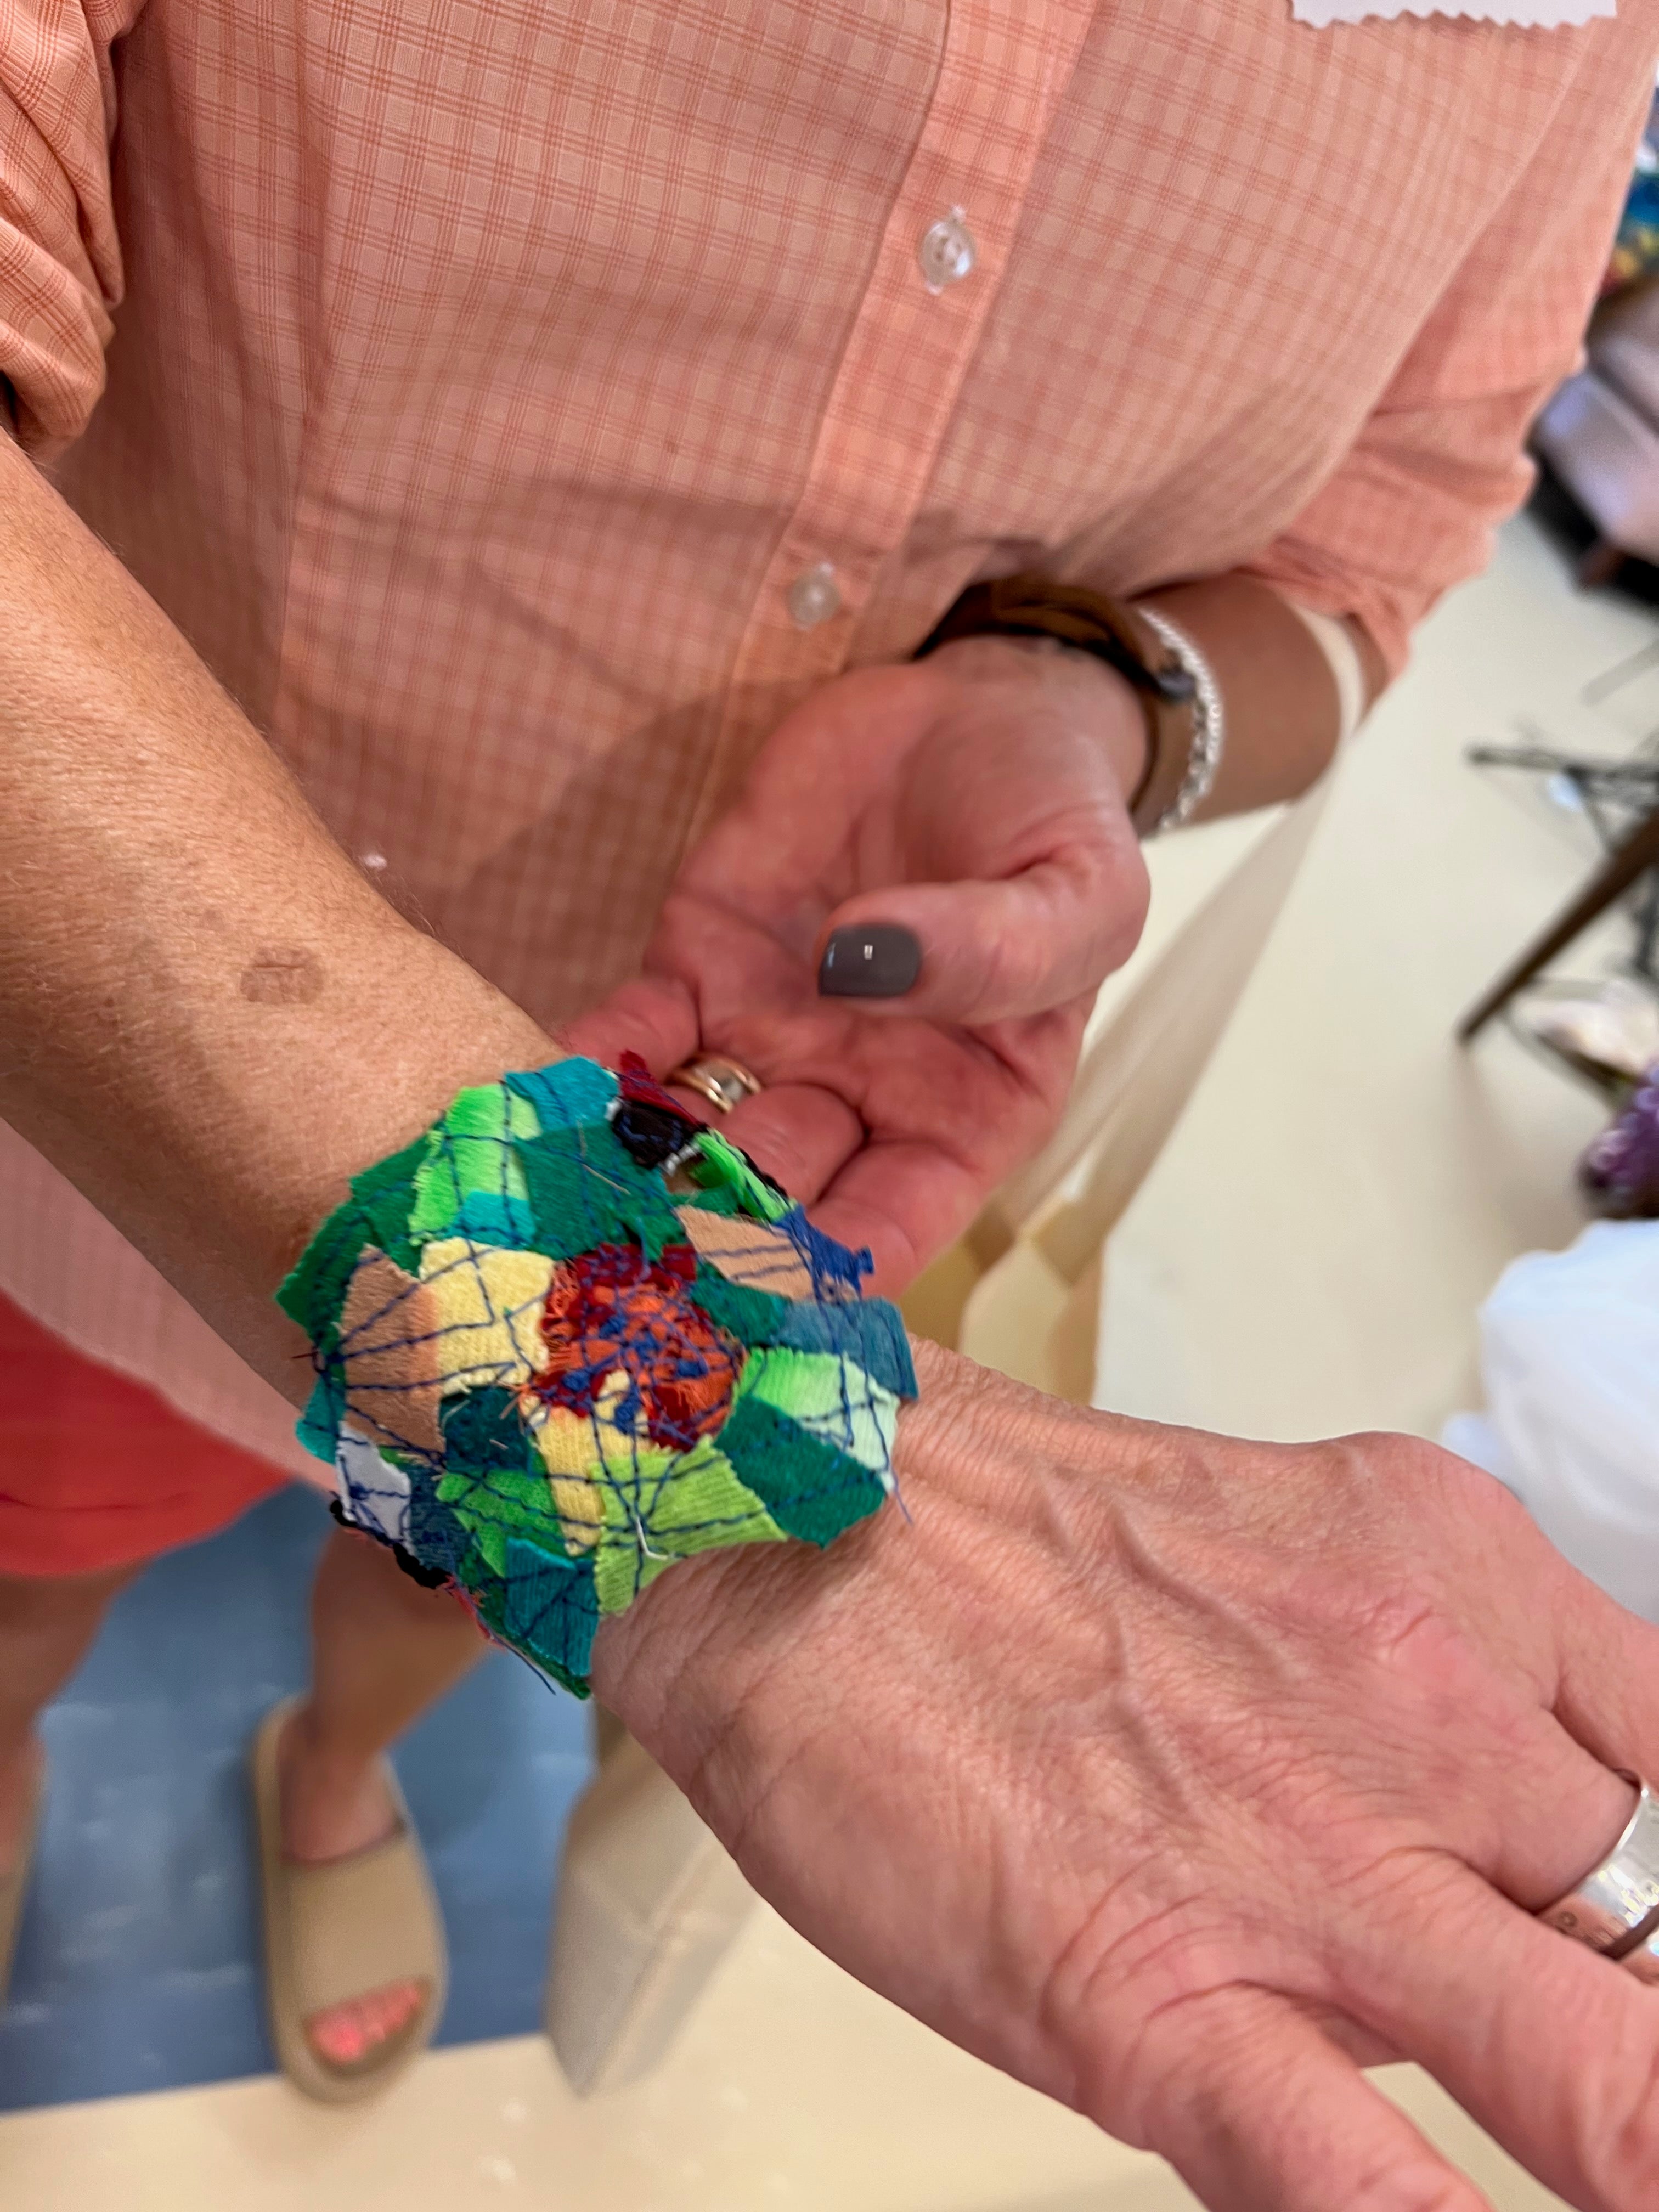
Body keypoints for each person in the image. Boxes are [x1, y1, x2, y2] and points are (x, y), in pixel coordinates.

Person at [3, 0, 1659, 2200]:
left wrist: (1094, 690)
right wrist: (667, 1497)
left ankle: (338, 1774)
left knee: (431, 1588)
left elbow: (1395, 525)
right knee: (31, 1567)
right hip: (93, 1056)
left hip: (775, 1128)